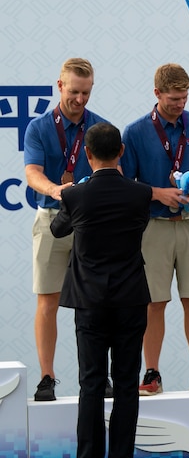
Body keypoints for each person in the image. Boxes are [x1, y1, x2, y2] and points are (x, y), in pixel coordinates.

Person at [50, 122, 152, 458]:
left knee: (91, 382)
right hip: (130, 298)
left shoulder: (76, 196)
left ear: (88, 155)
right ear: (121, 152)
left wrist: (72, 195)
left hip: (90, 300)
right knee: (126, 382)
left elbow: (57, 230)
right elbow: (139, 224)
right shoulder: (140, 194)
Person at [121, 63, 189, 395]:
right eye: (173, 99)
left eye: (183, 98)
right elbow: (126, 185)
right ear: (157, 94)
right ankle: (151, 373)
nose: (180, 104)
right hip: (154, 226)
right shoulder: (136, 132)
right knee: (154, 302)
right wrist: (157, 193)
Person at [23, 58, 110, 401]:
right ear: (59, 86)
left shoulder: (100, 128)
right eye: (74, 92)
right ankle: (47, 377)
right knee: (48, 300)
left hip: (90, 225)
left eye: (86, 93)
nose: (80, 99)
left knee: (95, 303)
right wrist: (55, 190)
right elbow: (32, 172)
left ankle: (98, 377)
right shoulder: (39, 127)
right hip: (50, 219)